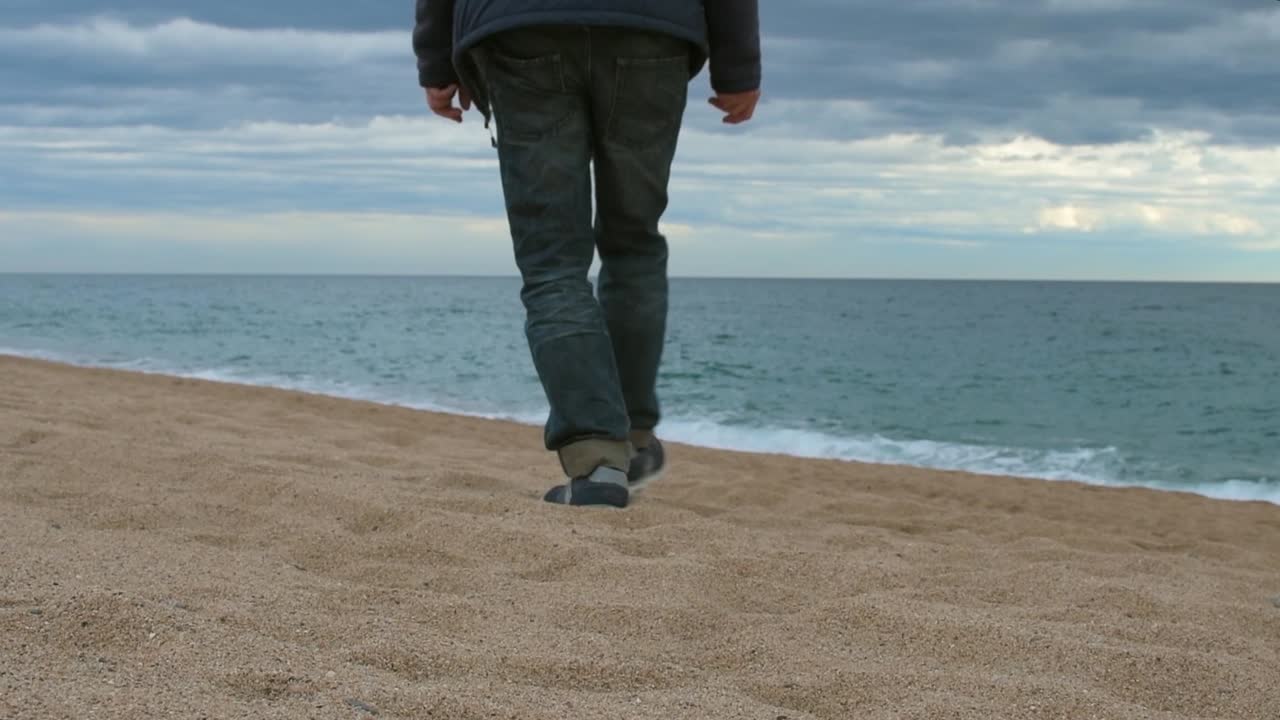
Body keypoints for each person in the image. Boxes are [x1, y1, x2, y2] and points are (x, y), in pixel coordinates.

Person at [414, 1, 762, 508]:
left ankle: (599, 461)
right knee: (634, 242)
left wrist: (437, 60)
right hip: (650, 29)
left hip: (521, 28)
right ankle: (633, 440)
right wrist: (738, 66)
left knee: (553, 260)